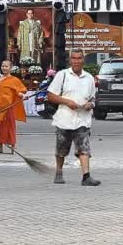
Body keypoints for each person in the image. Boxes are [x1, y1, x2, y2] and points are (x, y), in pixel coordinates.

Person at [47, 49, 101, 186]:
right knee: (61, 150)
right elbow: (51, 96)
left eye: (79, 58)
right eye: (74, 58)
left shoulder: (89, 78)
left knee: (84, 148)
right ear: (70, 60)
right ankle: (59, 172)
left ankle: (86, 176)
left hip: (82, 119)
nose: (76, 61)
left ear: (83, 60)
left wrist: (91, 104)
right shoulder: (62, 75)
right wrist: (67, 102)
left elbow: (94, 98)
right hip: (64, 119)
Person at [0, 60, 27, 154]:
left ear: (11, 68)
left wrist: (23, 96)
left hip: (9, 107)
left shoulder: (14, 80)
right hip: (0, 107)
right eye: (3, 66)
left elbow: (18, 92)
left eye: (6, 66)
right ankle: (0, 147)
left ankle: (12, 146)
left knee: (11, 127)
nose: (4, 68)